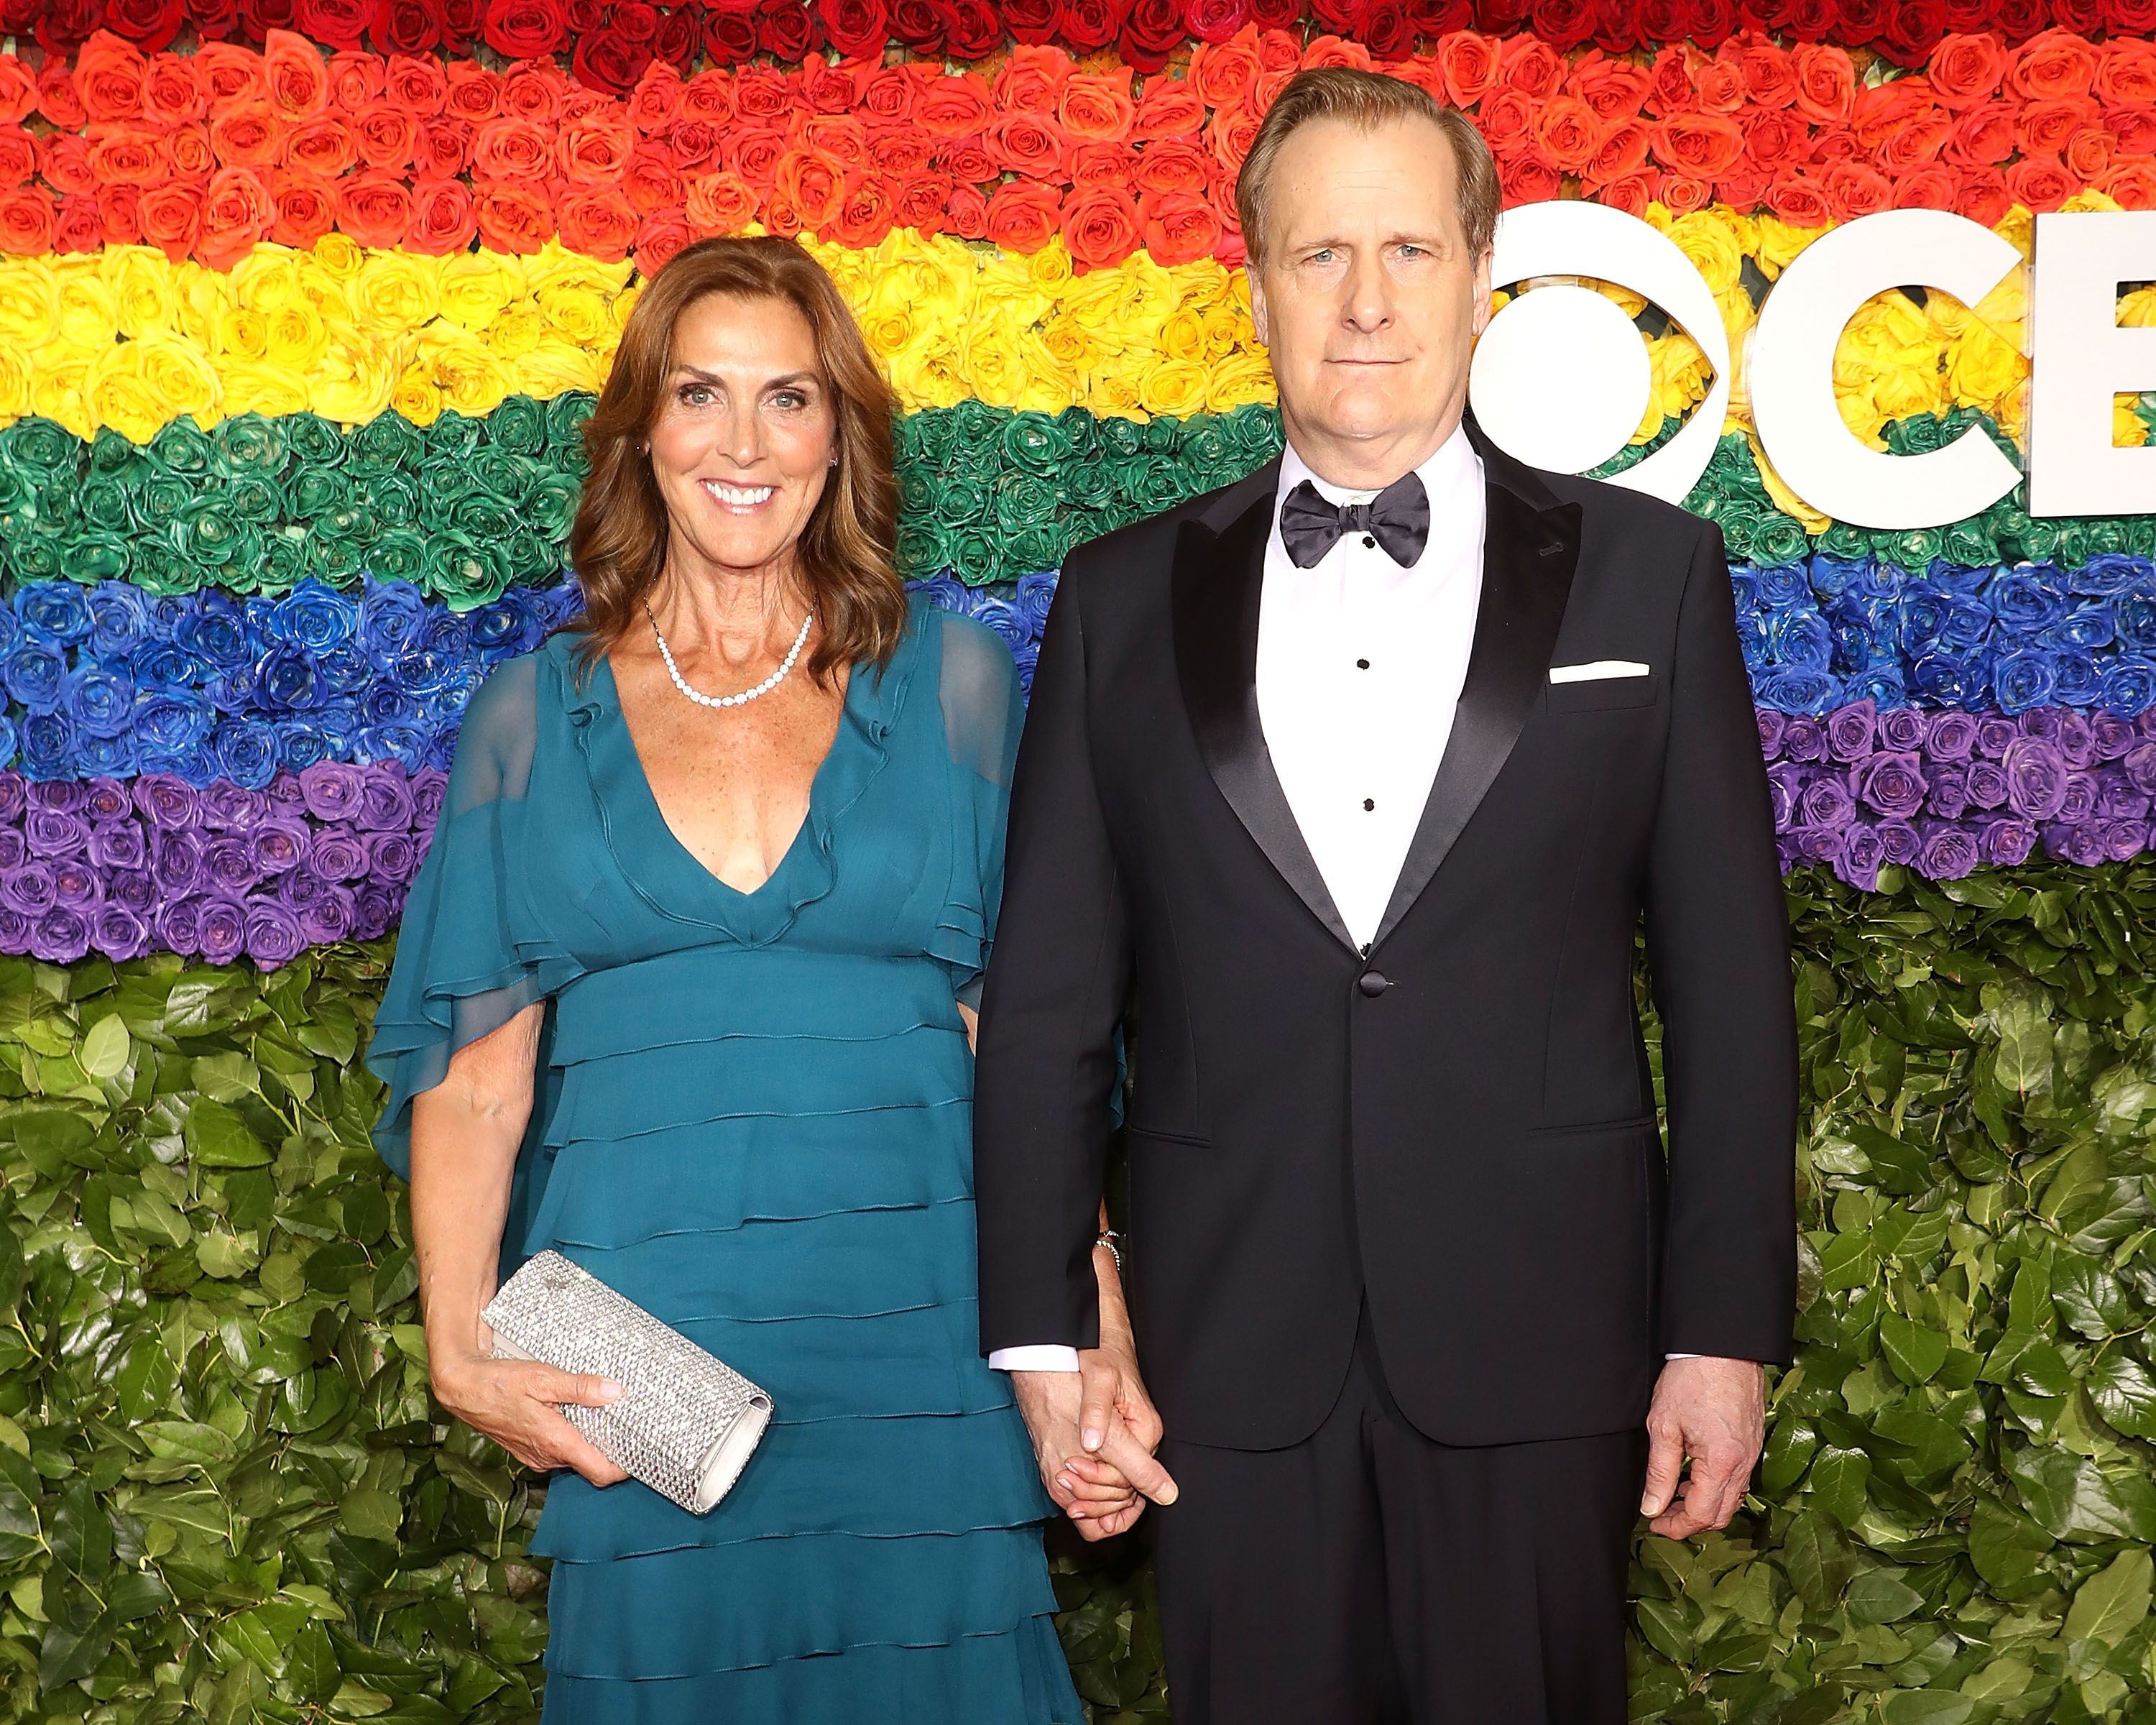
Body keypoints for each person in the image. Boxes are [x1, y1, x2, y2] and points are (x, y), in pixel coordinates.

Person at [973, 69, 1800, 1725]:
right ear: (1257, 282)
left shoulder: (1654, 577)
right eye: (1319, 253)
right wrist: (1052, 1346)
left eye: (1410, 250)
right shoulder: (1122, 599)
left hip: (1542, 1335)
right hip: (1225, 1356)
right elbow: (1052, 1001)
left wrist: (1724, 1331)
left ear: (1481, 273)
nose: (1365, 302)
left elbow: (1727, 989)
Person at [366, 235, 1155, 1722]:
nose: (742, 444)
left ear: (836, 435)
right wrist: (459, 1341)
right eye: (700, 395)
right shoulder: (537, 714)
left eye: (787, 399)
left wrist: (1093, 1311)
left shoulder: (959, 686)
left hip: (925, 1354)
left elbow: (1025, 1045)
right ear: (642, 434)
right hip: (648, 1382)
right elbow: (476, 1083)